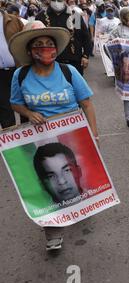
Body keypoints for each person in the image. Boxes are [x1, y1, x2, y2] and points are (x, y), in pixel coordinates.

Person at [8, 21, 99, 250]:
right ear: (30, 51)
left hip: (73, 136)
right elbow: (15, 104)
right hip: (39, 139)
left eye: (49, 44)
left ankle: (79, 207)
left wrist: (94, 135)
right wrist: (29, 113)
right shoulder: (21, 75)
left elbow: (86, 104)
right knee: (48, 186)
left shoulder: (69, 71)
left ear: (56, 49)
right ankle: (53, 230)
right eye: (39, 45)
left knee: (74, 178)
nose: (45, 48)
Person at [36, 0, 92, 75]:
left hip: (73, 61)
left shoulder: (75, 16)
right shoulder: (41, 16)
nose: (56, 2)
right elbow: (36, 39)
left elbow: (84, 36)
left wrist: (85, 55)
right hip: (49, 62)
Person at [0, 7, 23, 130]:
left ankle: (33, 139)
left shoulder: (13, 20)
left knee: (26, 106)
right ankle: (13, 146)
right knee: (5, 111)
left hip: (18, 70)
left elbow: (26, 43)